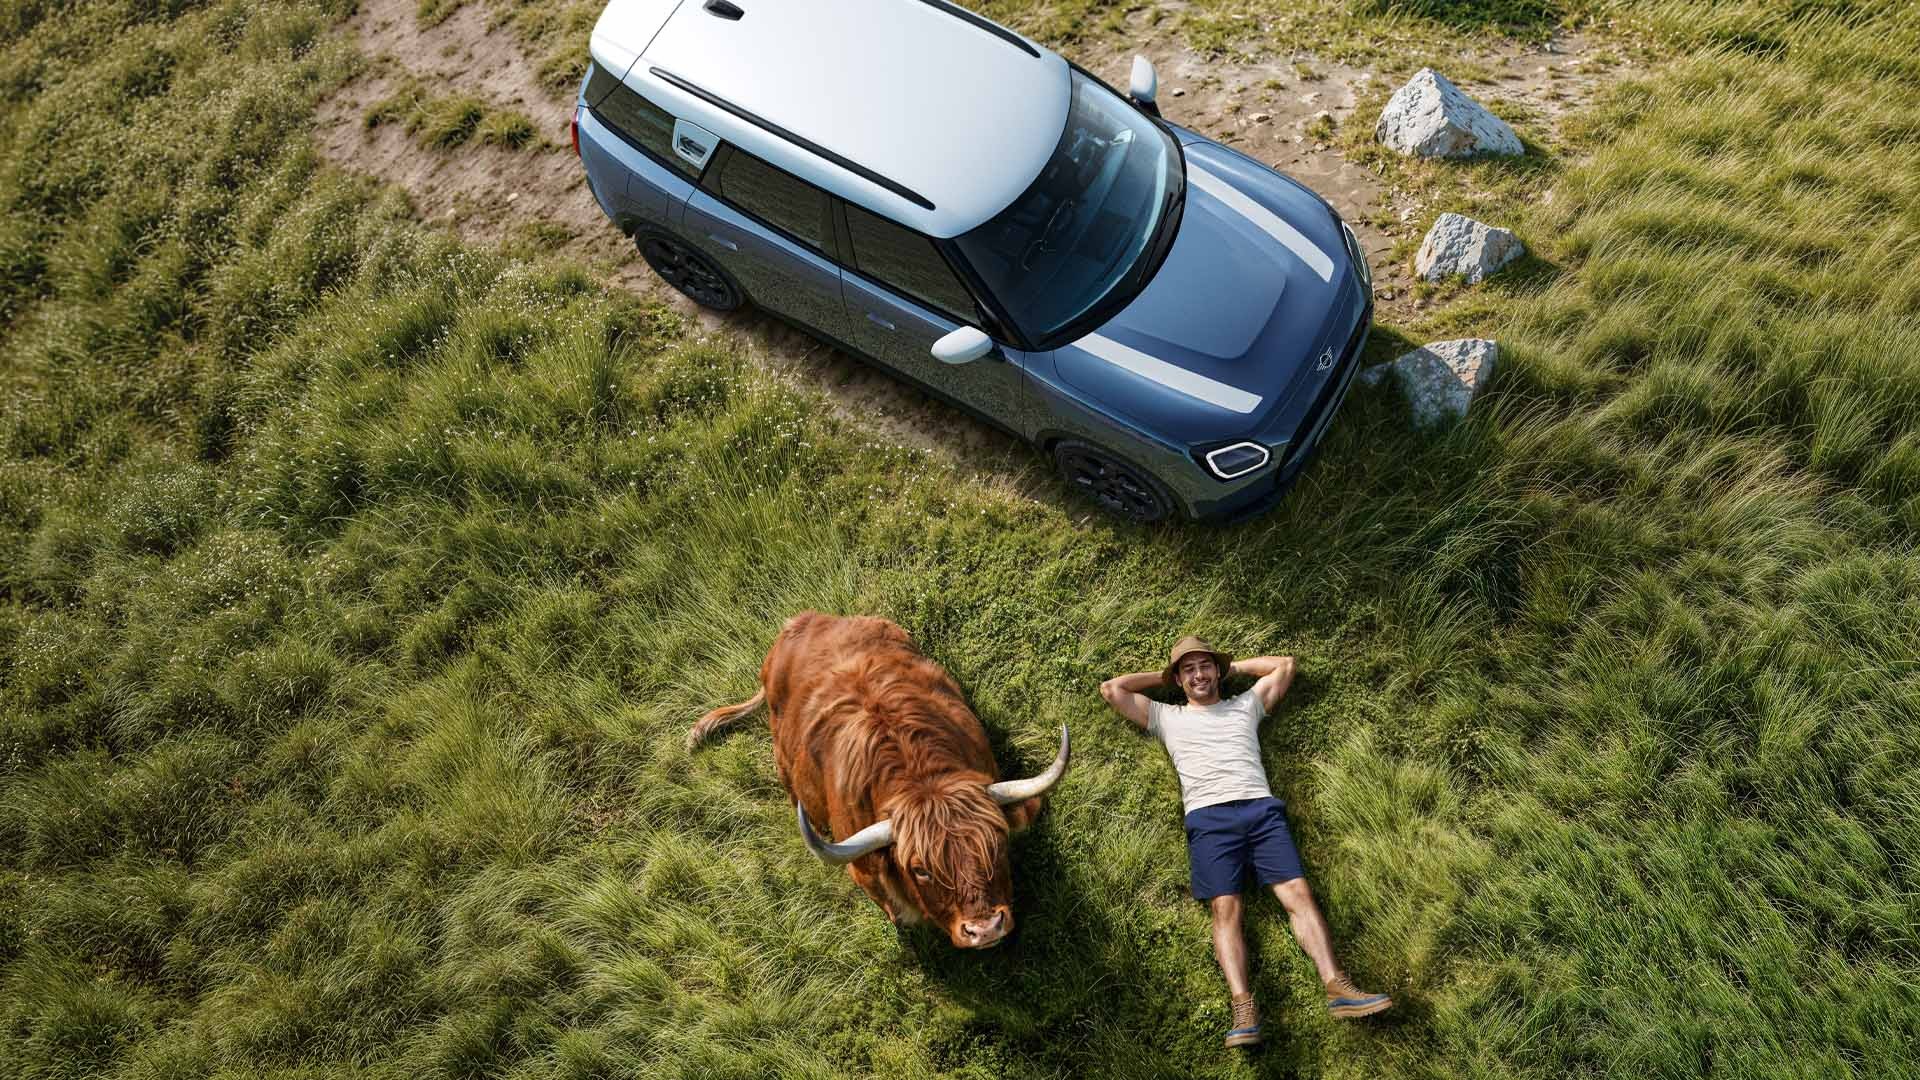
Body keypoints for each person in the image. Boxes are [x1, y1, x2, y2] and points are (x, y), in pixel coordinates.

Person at [1099, 637, 1391, 1048]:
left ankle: (1336, 986)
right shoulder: (1167, 716)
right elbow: (1113, 689)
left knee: (1299, 894)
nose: (1198, 675)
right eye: (1188, 670)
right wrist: (1165, 678)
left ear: (1216, 671)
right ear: (1178, 680)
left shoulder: (1245, 705)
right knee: (1226, 908)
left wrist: (1231, 668)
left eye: (1205, 666)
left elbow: (1285, 665)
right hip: (1208, 819)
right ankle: (1243, 1009)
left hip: (1260, 810)